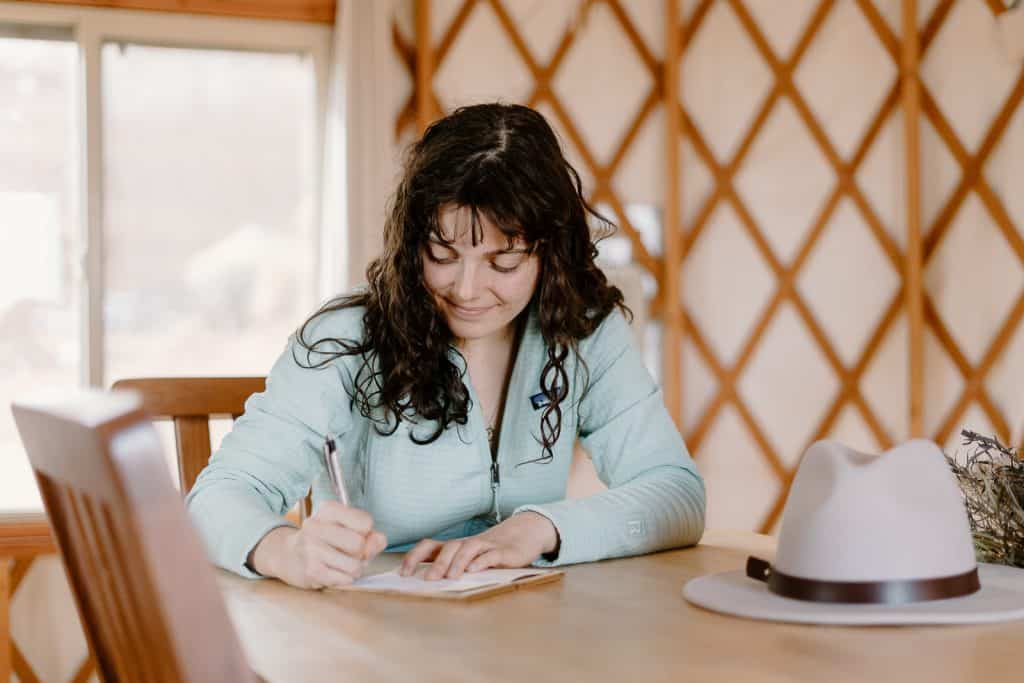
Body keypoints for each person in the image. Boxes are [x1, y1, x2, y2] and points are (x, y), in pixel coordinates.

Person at [185, 103, 706, 589]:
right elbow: (214, 497)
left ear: (550, 252)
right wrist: (283, 549)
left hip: (522, 630)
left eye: (503, 263)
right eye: (442, 253)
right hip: (374, 634)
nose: (467, 289)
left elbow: (675, 493)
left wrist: (536, 529)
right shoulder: (345, 342)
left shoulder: (583, 330)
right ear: (412, 243)